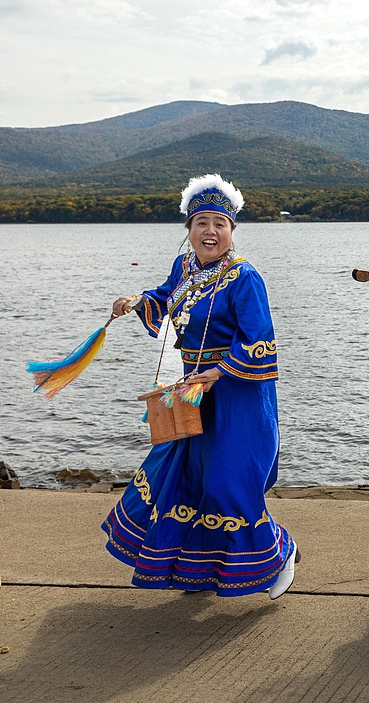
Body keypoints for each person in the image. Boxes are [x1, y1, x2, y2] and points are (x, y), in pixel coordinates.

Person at [102, 174, 298, 599]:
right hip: (191, 391)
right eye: (201, 222)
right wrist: (138, 301)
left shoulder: (245, 278)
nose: (210, 231)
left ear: (232, 230)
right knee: (183, 480)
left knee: (226, 484)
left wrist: (219, 371)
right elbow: (167, 295)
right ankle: (196, 569)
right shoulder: (185, 267)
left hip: (236, 393)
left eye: (219, 223)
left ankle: (280, 551)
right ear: (189, 230)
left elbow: (261, 342)